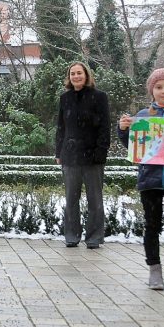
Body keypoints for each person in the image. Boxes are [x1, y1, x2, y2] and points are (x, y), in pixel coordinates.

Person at [118, 68, 164, 292]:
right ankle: (154, 269)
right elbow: (133, 146)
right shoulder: (143, 116)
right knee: (151, 225)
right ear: (152, 90)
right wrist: (123, 130)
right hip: (149, 179)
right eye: (159, 87)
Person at [55, 61, 111, 249]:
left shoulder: (100, 97)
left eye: (79, 73)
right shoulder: (65, 98)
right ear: (69, 77)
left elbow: (105, 127)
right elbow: (61, 127)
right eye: (72, 74)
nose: (76, 76)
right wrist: (58, 152)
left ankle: (94, 237)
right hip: (70, 155)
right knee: (71, 198)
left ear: (86, 75)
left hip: (93, 155)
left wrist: (101, 151)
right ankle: (71, 235)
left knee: (95, 199)